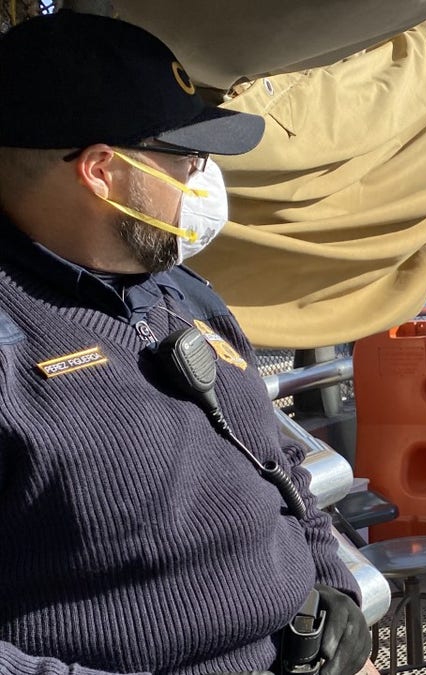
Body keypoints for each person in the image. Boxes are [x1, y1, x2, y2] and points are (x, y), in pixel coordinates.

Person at [0, 12, 372, 675]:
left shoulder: (185, 295)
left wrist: (333, 585)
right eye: (186, 158)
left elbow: (275, 457)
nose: (203, 180)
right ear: (101, 172)